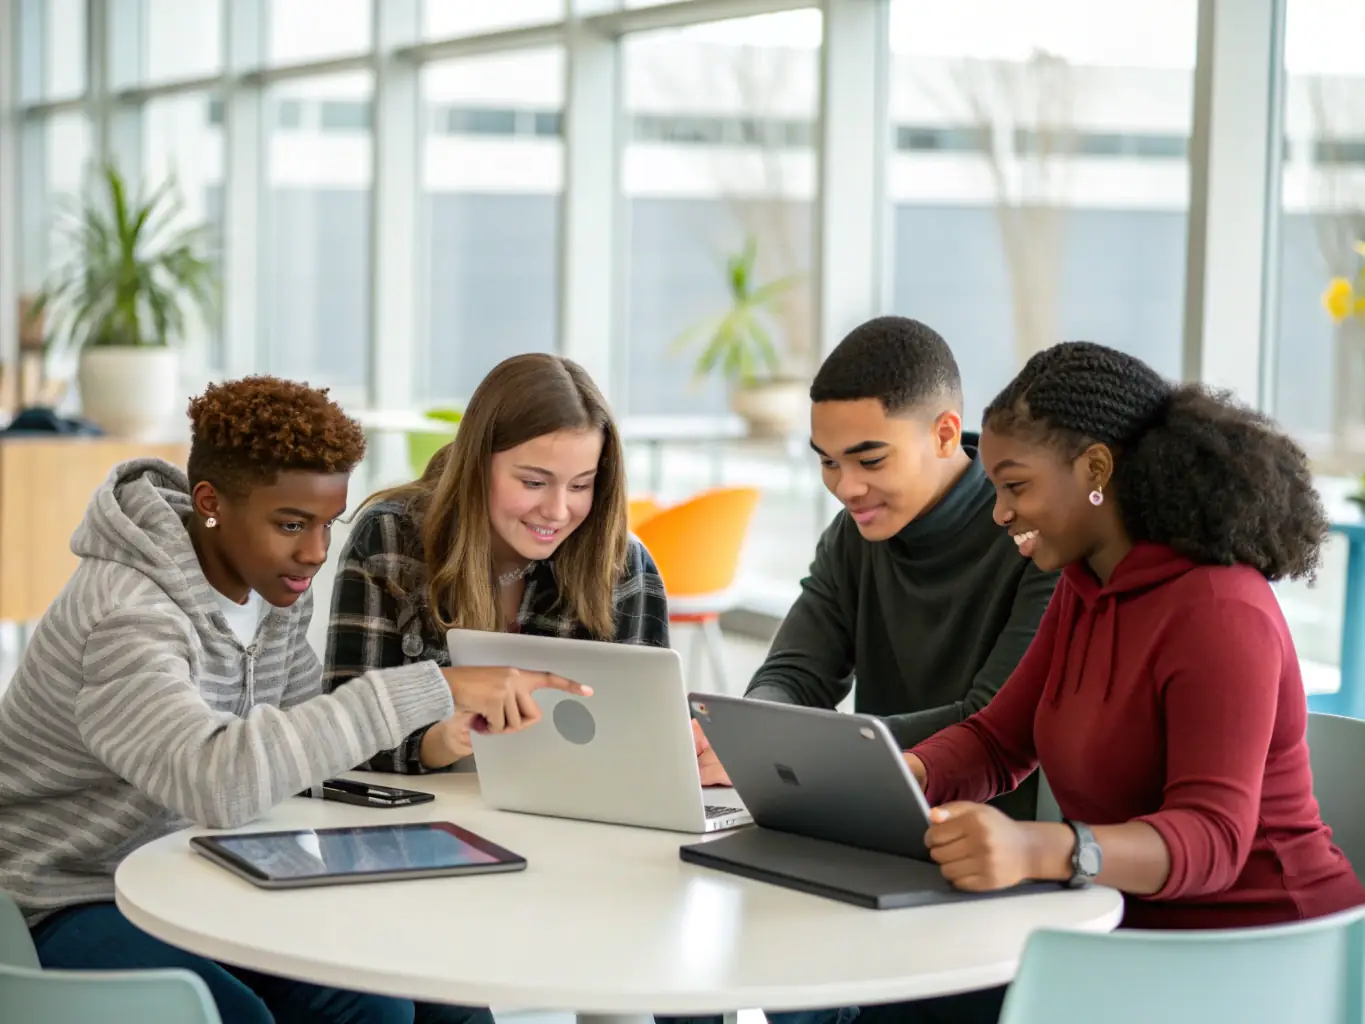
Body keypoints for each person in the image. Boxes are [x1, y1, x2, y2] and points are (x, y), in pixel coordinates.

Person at [0, 376, 583, 1024]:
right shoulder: (127, 617)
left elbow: (307, 742)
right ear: (210, 502)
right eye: (290, 524)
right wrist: (433, 685)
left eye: (327, 524)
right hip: (65, 892)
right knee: (241, 1017)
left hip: (197, 864)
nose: (314, 553)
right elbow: (218, 780)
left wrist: (437, 736)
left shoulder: (265, 584)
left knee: (418, 996)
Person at [880, 342, 1365, 1024]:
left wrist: (1038, 849)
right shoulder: (1084, 589)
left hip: (1266, 959)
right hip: (1128, 943)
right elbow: (998, 742)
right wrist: (903, 774)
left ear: (1096, 468)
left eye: (1015, 486)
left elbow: (1214, 840)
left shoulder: (1221, 612)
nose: (999, 513)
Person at [695, 317, 1058, 825]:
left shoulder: (1039, 537)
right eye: (828, 462)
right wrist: (751, 728)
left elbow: (990, 722)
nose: (846, 488)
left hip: (1000, 846)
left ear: (945, 434)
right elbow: (795, 674)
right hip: (870, 821)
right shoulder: (854, 535)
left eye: (870, 461)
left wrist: (808, 746)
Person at [324, 352, 669, 775]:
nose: (558, 511)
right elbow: (340, 735)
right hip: (423, 825)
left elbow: (645, 743)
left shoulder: (621, 565)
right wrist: (437, 743)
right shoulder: (389, 541)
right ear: (477, 464)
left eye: (581, 485)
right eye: (533, 483)